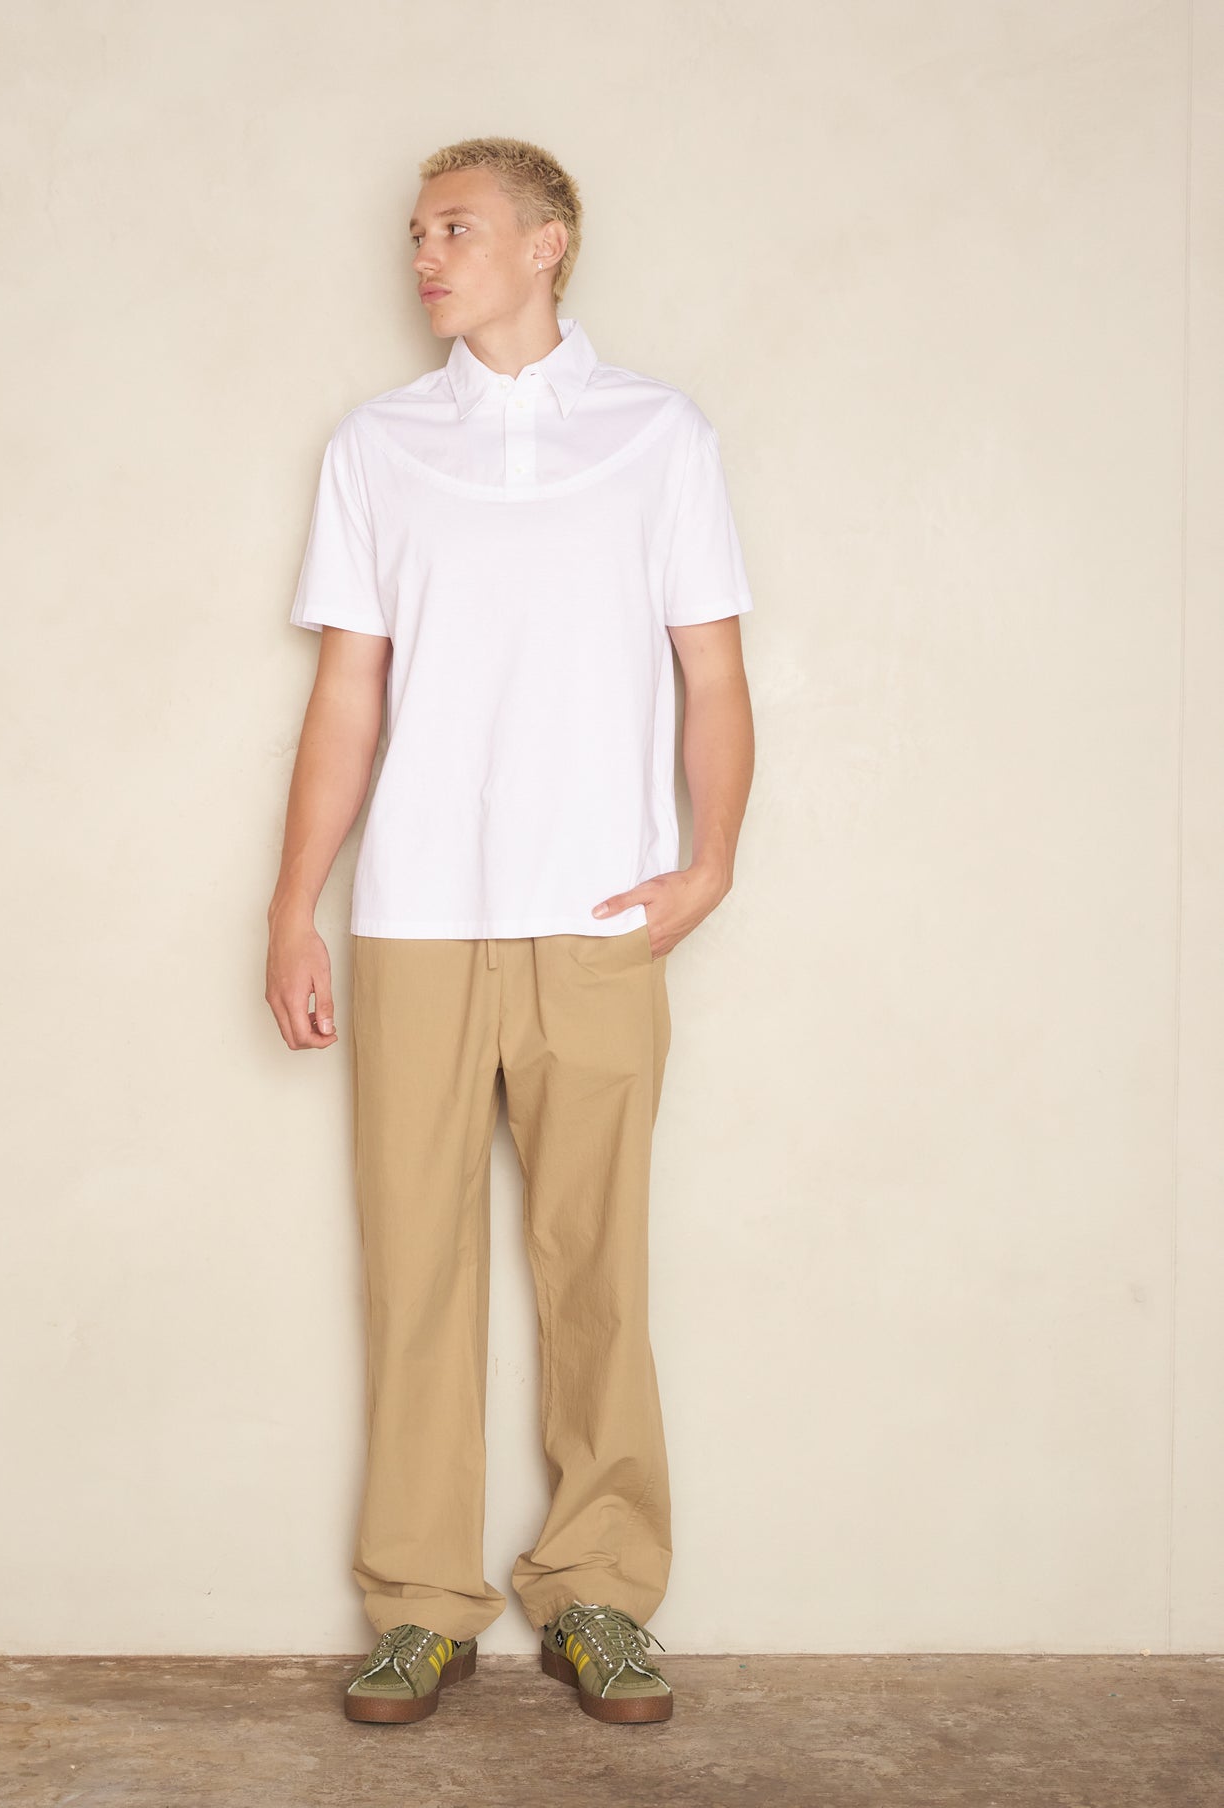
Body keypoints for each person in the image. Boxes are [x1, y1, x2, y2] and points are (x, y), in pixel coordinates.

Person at [268, 135, 756, 1726]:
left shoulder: (657, 435)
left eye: (455, 229)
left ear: (546, 244)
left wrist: (709, 865)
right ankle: (419, 1604)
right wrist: (292, 906)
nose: (423, 255)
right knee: (411, 1270)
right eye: (416, 233)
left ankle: (599, 1591)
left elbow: (712, 672)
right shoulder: (378, 445)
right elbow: (347, 694)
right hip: (414, 917)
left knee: (593, 1267)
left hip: (598, 917)